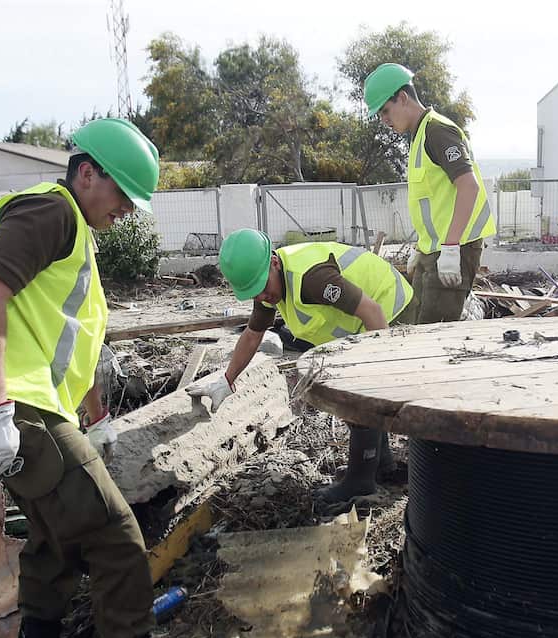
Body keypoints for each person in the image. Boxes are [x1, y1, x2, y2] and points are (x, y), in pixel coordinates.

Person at [0, 117, 221, 638]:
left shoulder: (76, 234)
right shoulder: (52, 213)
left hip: (29, 406)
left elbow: (77, 339)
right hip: (15, 408)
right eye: (122, 193)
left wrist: (96, 417)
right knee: (116, 535)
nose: (126, 209)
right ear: (87, 172)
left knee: (55, 532)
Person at [185, 228, 413, 508]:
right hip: (365, 320)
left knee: (360, 394)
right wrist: (226, 380)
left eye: (262, 287)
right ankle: (381, 464)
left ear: (274, 262)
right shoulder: (270, 288)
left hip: (393, 311)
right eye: (253, 293)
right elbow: (253, 334)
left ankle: (360, 481)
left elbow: (373, 312)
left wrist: (373, 365)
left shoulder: (311, 279)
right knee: (360, 392)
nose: (262, 297)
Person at [363, 62, 496, 324]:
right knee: (416, 327)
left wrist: (450, 247)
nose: (384, 120)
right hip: (434, 252)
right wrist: (421, 249)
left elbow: (468, 186)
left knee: (433, 338)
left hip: (453, 251)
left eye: (386, 111)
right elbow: (435, 204)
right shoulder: (419, 136)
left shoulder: (437, 131)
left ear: (402, 98)